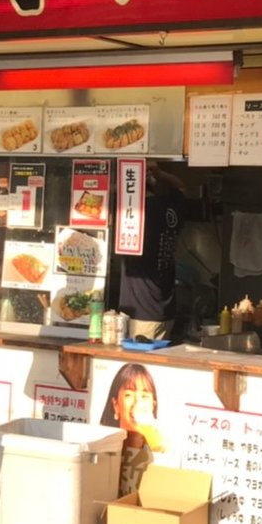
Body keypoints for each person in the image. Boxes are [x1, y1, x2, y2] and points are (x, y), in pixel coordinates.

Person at [118, 163, 185, 340]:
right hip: (165, 310)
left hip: (141, 314)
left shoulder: (135, 213)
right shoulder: (173, 207)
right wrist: (160, 173)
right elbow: (181, 186)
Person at [100, 362, 165, 495]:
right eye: (129, 395)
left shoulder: (162, 450)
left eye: (144, 396)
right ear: (116, 404)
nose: (137, 404)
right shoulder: (101, 447)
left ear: (153, 405)